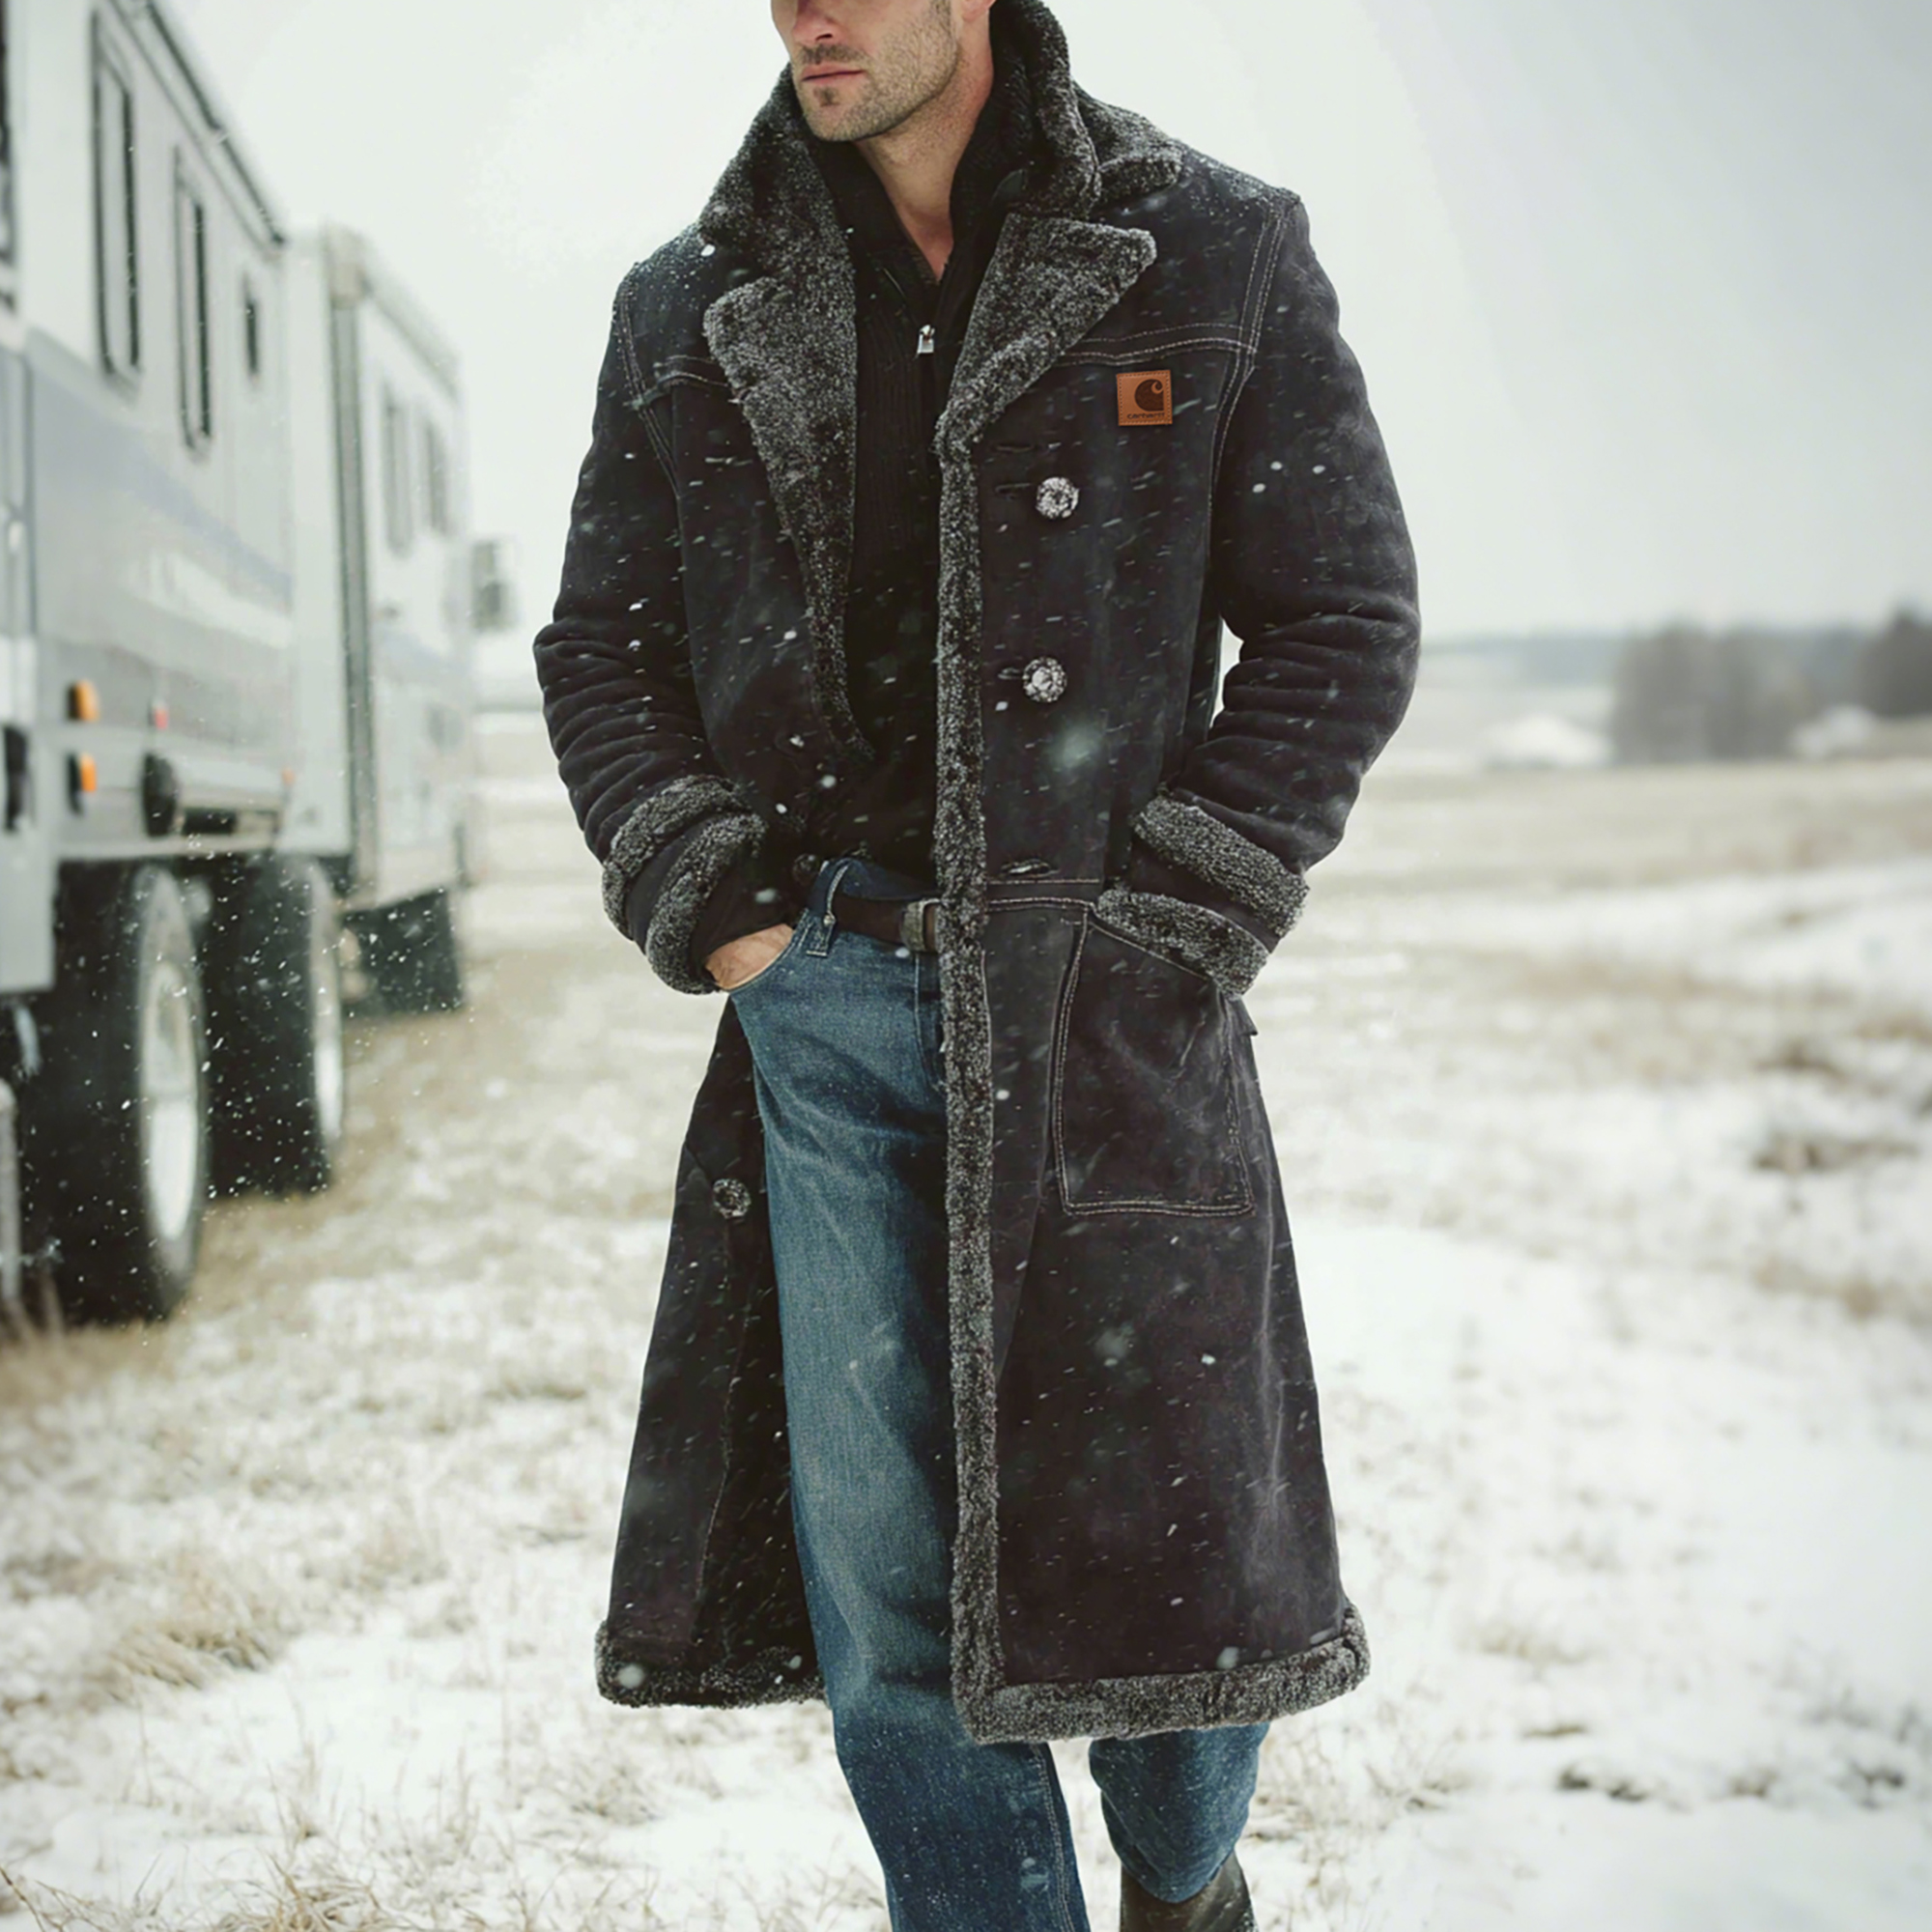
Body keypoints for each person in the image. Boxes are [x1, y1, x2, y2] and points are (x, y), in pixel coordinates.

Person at [532, 1, 1419, 1923]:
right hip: (825, 1002)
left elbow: (1342, 616)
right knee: (888, 1591)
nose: (805, 13)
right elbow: (602, 647)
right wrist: (726, 911)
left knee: (1178, 1568)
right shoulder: (685, 303)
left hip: (1106, 1000)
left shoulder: (1209, 247)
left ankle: (1186, 1887)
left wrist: (1174, 917)